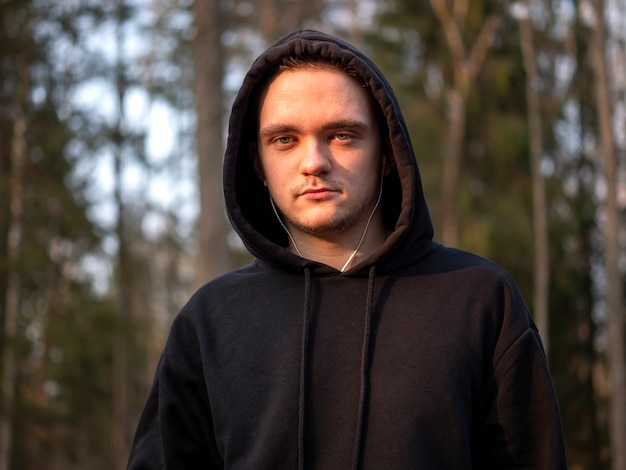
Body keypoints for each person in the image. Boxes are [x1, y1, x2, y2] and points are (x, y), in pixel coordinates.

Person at [127, 29, 568, 469]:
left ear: (387, 152)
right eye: (285, 139)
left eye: (342, 135)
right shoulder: (211, 321)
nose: (314, 161)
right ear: (258, 162)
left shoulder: (477, 300)